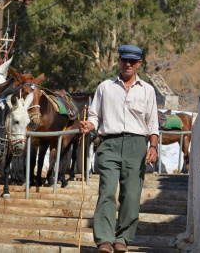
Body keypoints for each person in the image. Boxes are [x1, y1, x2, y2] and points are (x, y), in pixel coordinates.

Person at [79, 44, 159, 253]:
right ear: (119, 61)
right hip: (109, 144)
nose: (128, 64)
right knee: (106, 192)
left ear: (139, 63)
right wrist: (90, 125)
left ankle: (123, 238)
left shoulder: (148, 90)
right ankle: (105, 239)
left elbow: (152, 123)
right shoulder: (105, 87)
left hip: (136, 146)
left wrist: (153, 146)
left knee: (131, 195)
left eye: (133, 61)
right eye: (124, 60)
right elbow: (95, 115)